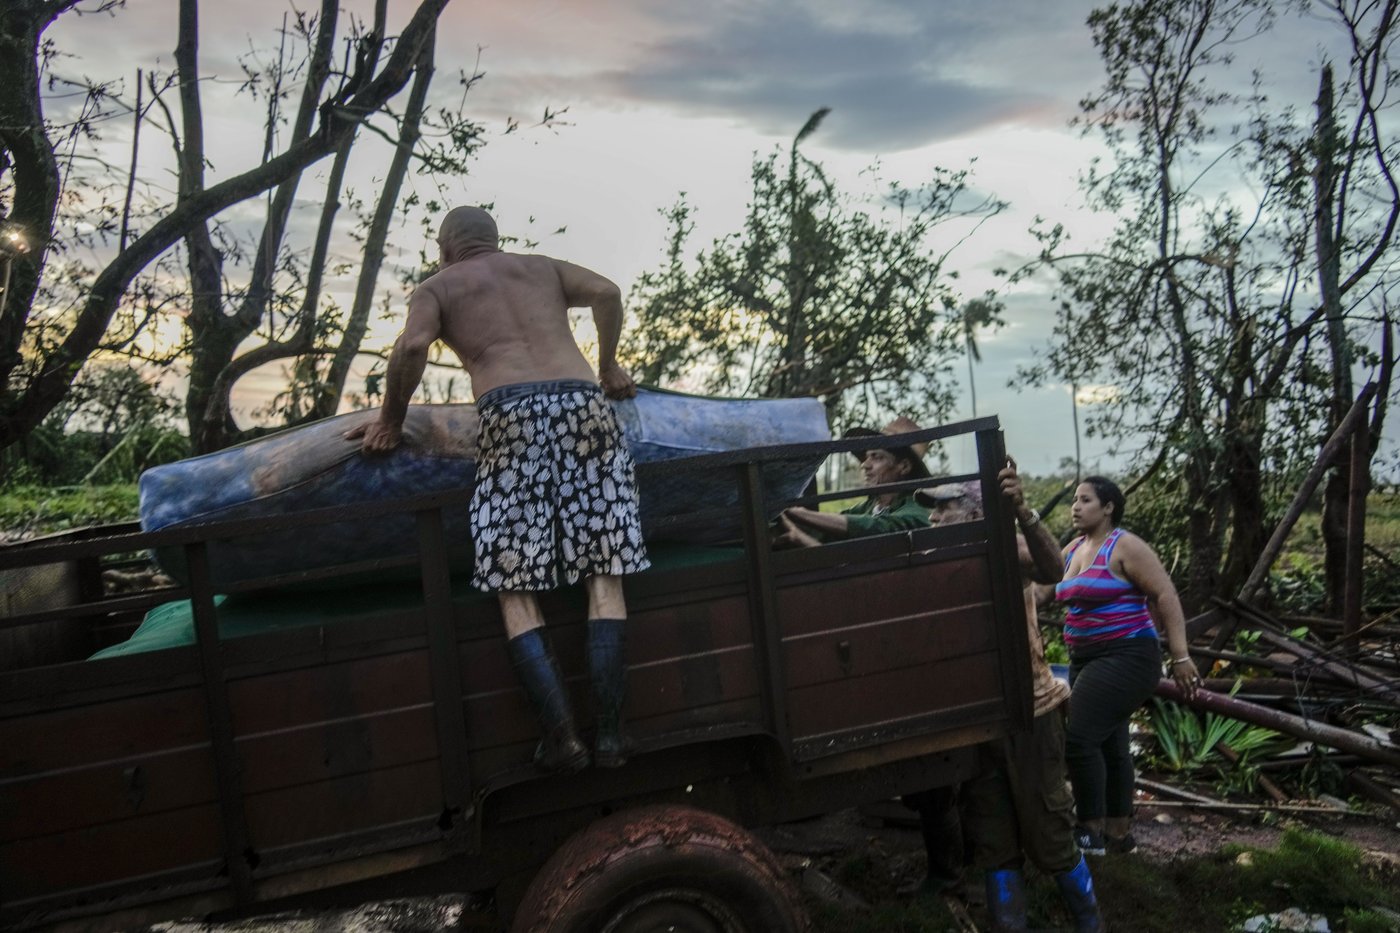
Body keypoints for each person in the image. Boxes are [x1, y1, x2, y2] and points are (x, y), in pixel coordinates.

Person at [349, 206, 650, 773]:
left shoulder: (438, 285)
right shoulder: (539, 266)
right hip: (584, 405)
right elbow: (608, 291)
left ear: (445, 249)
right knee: (604, 570)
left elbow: (412, 347)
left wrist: (390, 420)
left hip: (509, 412)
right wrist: (607, 366)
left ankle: (563, 740)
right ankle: (611, 738)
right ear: (495, 240)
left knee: (513, 581)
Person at [948, 460, 1102, 932]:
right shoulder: (941, 559)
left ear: (974, 512)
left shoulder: (1005, 548)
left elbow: (1055, 569)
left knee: (1048, 828)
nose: (935, 518)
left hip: (1029, 710)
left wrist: (1021, 511)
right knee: (993, 836)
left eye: (947, 509)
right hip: (979, 719)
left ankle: (1091, 925)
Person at [1055, 476, 1200, 855]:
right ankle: (1119, 835)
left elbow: (1164, 594)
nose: (1076, 506)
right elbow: (1040, 589)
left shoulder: (1127, 546)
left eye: (1085, 500)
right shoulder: (1071, 550)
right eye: (1074, 500)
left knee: (1080, 738)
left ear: (1108, 508)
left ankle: (1089, 829)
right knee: (1112, 745)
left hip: (1129, 655)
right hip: (1083, 656)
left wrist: (1180, 656)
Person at [775, 416, 931, 547]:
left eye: (877, 457)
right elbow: (829, 537)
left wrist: (799, 513)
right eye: (866, 457)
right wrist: (790, 527)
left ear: (904, 466)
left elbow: (879, 528)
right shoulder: (867, 508)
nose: (865, 465)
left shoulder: (917, 510)